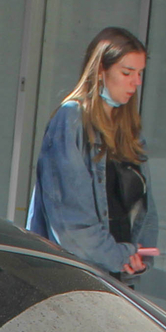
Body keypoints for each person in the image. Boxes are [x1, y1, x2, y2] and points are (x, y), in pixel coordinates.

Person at [27, 26, 159, 283]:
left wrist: (139, 256)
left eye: (140, 73)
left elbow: (147, 210)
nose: (137, 82)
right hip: (76, 275)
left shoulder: (129, 129)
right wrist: (121, 255)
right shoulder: (72, 120)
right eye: (127, 72)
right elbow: (72, 225)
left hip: (117, 274)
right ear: (101, 70)